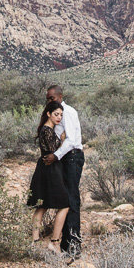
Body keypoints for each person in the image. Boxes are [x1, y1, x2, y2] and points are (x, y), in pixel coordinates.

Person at [26, 100, 71, 253]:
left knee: (42, 205)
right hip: (49, 169)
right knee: (63, 204)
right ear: (48, 114)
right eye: (56, 114)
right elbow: (52, 149)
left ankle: (36, 240)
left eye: (61, 115)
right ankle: (53, 241)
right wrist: (63, 141)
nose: (59, 117)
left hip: (47, 168)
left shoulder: (50, 129)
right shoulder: (47, 130)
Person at [43, 84, 83, 255]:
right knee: (65, 200)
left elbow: (71, 140)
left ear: (60, 96)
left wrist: (56, 155)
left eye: (52, 98)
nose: (49, 101)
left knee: (71, 199)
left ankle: (74, 245)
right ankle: (66, 244)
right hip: (64, 158)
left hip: (71, 157)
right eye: (48, 99)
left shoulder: (68, 112)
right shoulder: (56, 113)